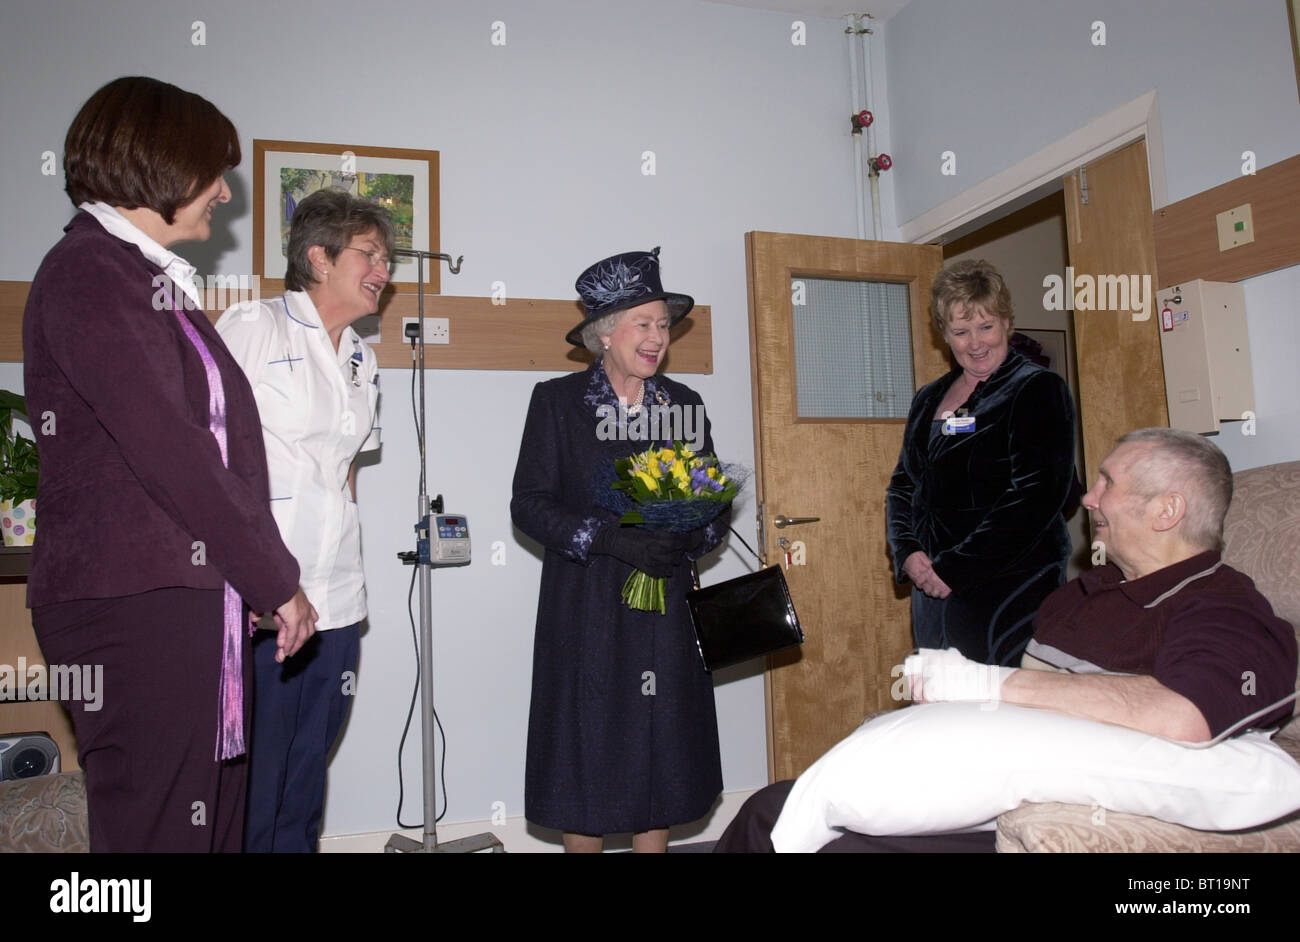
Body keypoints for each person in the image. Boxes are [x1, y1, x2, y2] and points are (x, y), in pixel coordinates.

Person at [717, 428, 1297, 852]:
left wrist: (983, 682)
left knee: (789, 826)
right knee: (776, 807)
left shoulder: (1223, 608)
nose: (1088, 498)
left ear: (1167, 510)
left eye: (1108, 484)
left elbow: (1187, 716)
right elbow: (1024, 711)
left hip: (1054, 812)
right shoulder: (1079, 597)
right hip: (995, 793)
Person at [22, 76, 317, 853]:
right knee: (155, 839)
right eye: (212, 171)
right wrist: (273, 576)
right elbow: (169, 446)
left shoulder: (143, 277)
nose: (223, 192)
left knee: (206, 831)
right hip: (134, 602)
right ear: (160, 163)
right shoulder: (91, 271)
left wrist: (248, 579)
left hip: (184, 600)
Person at [510, 247, 729, 853]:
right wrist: (611, 540)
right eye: (645, 324)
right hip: (587, 608)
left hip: (663, 604)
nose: (658, 337)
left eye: (664, 325)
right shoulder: (555, 403)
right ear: (605, 334)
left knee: (657, 743)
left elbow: (715, 503)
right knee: (590, 749)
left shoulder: (684, 406)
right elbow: (528, 505)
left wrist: (684, 535)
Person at [217, 189, 388, 852]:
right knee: (253, 782)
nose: (384, 270)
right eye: (369, 254)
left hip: (337, 602)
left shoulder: (361, 359)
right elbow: (209, 456)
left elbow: (346, 470)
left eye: (386, 258)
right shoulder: (255, 327)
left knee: (304, 782)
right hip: (262, 602)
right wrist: (251, 576)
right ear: (318, 257)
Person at [886, 259, 1077, 666]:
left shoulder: (1037, 389)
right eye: (960, 331)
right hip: (931, 588)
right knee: (939, 704)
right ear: (944, 335)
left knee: (1001, 711)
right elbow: (904, 485)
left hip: (1009, 586)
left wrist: (953, 568)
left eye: (986, 326)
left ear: (1007, 322)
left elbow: (1037, 496)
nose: (975, 343)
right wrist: (908, 553)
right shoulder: (928, 397)